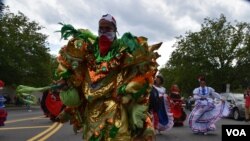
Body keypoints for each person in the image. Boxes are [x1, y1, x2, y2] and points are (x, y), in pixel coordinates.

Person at [17, 14, 162, 141]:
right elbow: (75, 71)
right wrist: (66, 80)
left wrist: (128, 90)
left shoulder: (123, 51)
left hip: (114, 107)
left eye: (108, 28)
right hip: (92, 109)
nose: (104, 31)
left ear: (115, 30)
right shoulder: (88, 50)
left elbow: (141, 71)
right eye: (101, 28)